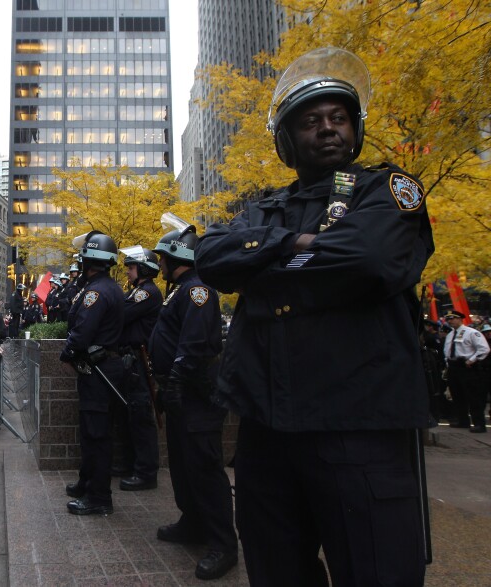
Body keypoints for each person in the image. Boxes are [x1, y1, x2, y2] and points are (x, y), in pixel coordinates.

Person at [194, 47, 435, 585]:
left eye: (338, 118)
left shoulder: (389, 190)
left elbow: (370, 259)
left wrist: (262, 260)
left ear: (355, 129)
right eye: (310, 121)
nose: (327, 129)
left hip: (359, 431)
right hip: (267, 433)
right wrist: (300, 244)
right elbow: (211, 258)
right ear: (286, 139)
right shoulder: (260, 206)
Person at [149, 219, 238, 580]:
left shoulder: (197, 291)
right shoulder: (180, 290)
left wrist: (176, 382)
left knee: (204, 469)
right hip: (181, 395)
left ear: (177, 257)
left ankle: (223, 543)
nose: (159, 265)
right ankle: (193, 523)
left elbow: (195, 344)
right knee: (184, 468)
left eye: (163, 258)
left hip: (196, 396)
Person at [61, 231, 125, 516]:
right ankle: (87, 483)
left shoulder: (97, 292)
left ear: (88, 261)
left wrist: (68, 352)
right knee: (91, 432)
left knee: (96, 434)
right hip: (101, 368)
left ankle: (99, 497)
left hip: (100, 370)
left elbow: (82, 332)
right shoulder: (107, 287)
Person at [115, 246, 162, 491]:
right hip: (131, 359)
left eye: (131, 268)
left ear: (143, 269)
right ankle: (133, 464)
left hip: (140, 360)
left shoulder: (146, 293)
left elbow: (120, 313)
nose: (128, 272)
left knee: (142, 416)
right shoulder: (138, 291)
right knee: (133, 415)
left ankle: (145, 472)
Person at [443, 311, 490, 432]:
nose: (450, 321)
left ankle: (479, 423)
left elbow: (484, 349)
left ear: (461, 319)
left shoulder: (472, 333)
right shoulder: (450, 335)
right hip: (454, 367)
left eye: (453, 318)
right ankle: (463, 421)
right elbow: (447, 351)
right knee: (457, 395)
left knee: (473, 396)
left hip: (467, 367)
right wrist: (448, 364)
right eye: (448, 319)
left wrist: (472, 360)